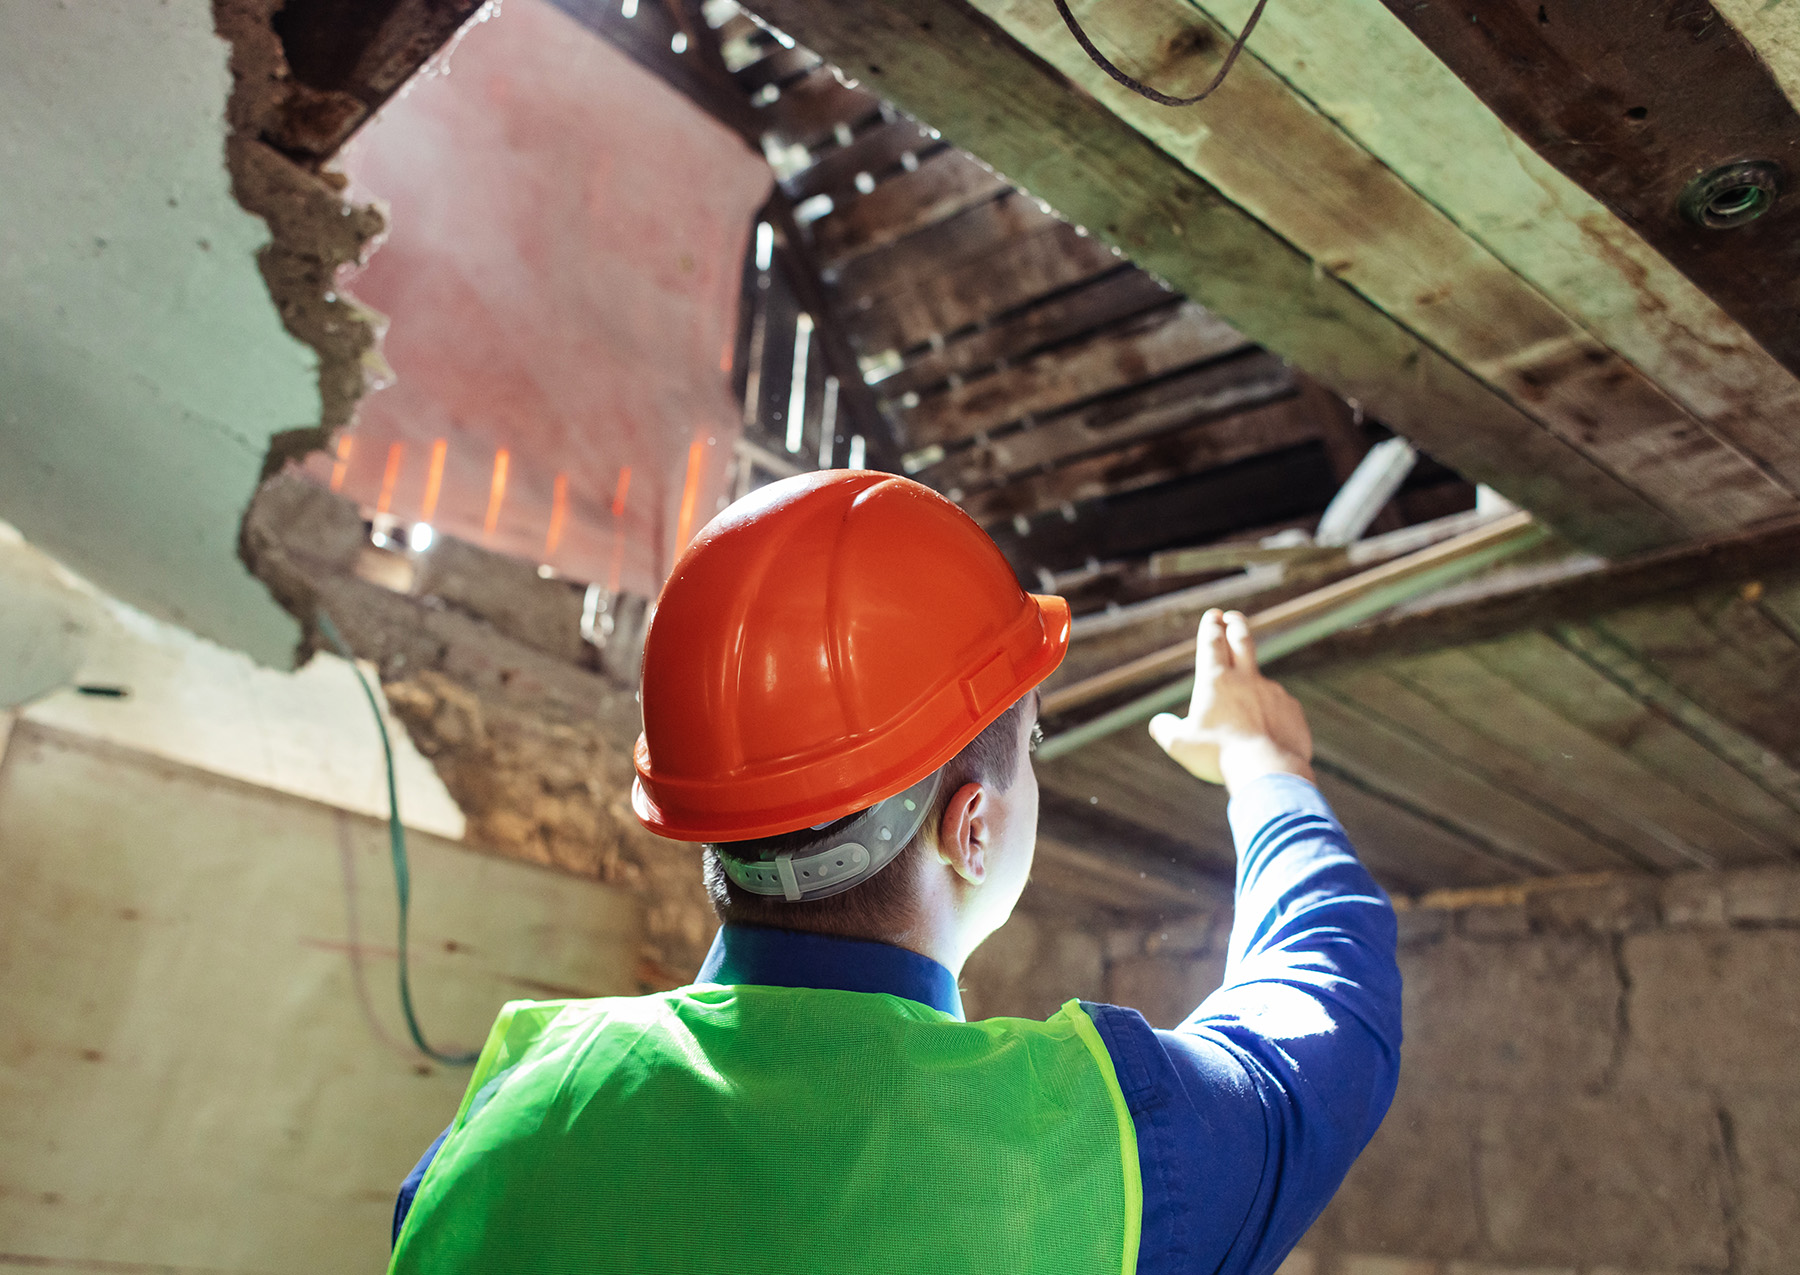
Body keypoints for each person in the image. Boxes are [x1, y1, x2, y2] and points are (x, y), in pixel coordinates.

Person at [388, 471, 1401, 1275]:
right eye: (1031, 748)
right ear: (971, 830)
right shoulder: (1087, 1153)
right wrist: (1265, 763)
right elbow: (1327, 1014)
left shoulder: (518, 1100)